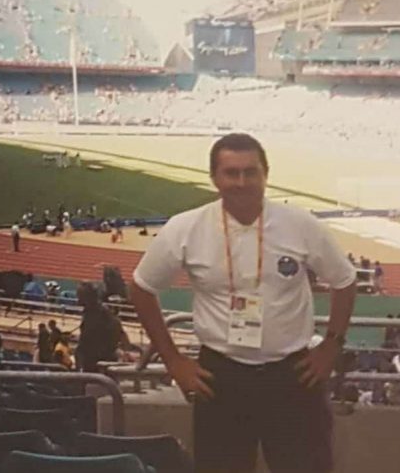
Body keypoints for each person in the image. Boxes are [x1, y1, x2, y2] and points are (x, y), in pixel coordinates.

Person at [129, 133, 357, 473]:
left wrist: (331, 346)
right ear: (214, 178)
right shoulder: (186, 228)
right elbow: (141, 288)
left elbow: (345, 280)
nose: (241, 182)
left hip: (293, 375)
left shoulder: (301, 225)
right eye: (231, 173)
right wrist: (173, 360)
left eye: (251, 172)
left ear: (266, 174)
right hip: (221, 377)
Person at [75, 282, 130, 373]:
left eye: (80, 296)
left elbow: (88, 341)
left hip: (97, 362)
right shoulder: (98, 312)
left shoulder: (98, 315)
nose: (78, 299)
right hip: (98, 360)